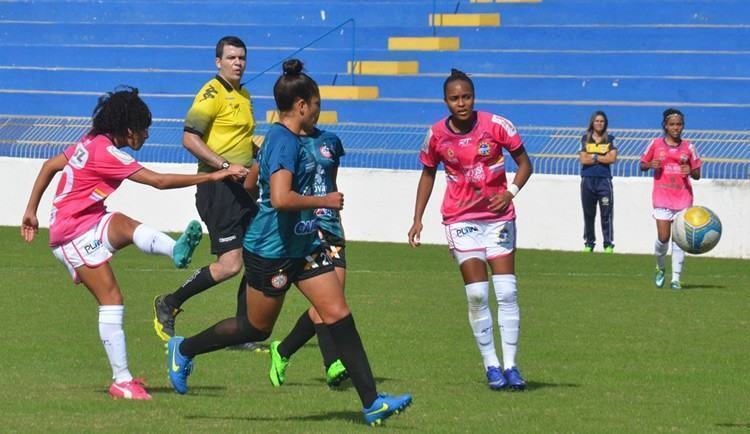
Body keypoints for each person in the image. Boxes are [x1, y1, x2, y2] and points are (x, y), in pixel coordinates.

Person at [165, 59, 412, 426]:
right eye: (316, 104)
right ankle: (183, 349)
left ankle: (372, 402)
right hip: (271, 252)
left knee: (339, 315)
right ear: (301, 105)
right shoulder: (281, 141)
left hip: (303, 244)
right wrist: (322, 202)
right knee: (255, 328)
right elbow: (280, 198)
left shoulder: (285, 139)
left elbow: (253, 186)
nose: (318, 110)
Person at [20, 87, 245, 400]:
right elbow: (159, 181)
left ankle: (175, 250)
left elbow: (49, 166)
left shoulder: (91, 140)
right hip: (71, 234)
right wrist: (213, 176)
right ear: (128, 130)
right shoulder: (107, 153)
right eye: (144, 130)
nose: (147, 136)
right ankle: (121, 381)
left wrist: (31, 211)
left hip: (88, 220)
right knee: (111, 299)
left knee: (123, 224)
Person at [408, 69, 533, 391]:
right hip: (461, 220)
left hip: (499, 218)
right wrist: (417, 218)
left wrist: (510, 192)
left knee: (506, 291)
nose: (461, 103)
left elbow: (524, 164)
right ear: (445, 101)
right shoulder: (435, 135)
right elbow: (427, 175)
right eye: (454, 98)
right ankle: (491, 365)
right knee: (478, 294)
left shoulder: (497, 125)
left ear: (473, 98)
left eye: (466, 97)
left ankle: (512, 366)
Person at [153, 36, 261, 350]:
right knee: (231, 264)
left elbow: (239, 138)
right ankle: (170, 302)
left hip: (242, 189)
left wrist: (259, 148)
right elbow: (189, 138)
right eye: (231, 58)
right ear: (218, 62)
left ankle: (243, 333)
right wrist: (225, 165)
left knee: (258, 256)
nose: (238, 63)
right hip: (218, 189)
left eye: (242, 57)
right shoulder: (211, 93)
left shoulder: (244, 94)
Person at [267, 125, 350, 389]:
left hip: (332, 227)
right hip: (307, 228)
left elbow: (330, 180)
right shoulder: (285, 143)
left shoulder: (330, 141)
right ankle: (333, 363)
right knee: (329, 303)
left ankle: (283, 351)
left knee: (331, 301)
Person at [639, 108, 701, 290]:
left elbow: (697, 173)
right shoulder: (655, 144)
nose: (676, 127)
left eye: (679, 124)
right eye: (672, 124)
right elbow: (642, 164)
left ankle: (675, 278)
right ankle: (660, 267)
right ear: (665, 126)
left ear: (683, 126)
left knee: (679, 239)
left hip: (683, 199)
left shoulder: (689, 147)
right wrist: (650, 164)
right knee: (663, 237)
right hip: (662, 198)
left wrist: (690, 171)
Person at [579, 110, 617, 253]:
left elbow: (612, 158)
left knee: (606, 213)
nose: (599, 123)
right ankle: (589, 243)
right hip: (587, 180)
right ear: (592, 123)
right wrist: (601, 156)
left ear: (605, 123)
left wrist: (593, 156)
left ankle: (608, 244)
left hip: (604, 181)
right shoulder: (585, 139)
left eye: (602, 121)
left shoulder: (610, 139)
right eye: (597, 121)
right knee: (589, 213)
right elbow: (583, 159)